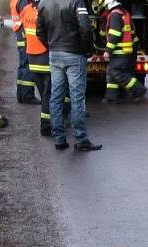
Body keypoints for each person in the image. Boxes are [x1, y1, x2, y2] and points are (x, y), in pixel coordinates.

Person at [36, 0, 102, 150]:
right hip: (74, 54)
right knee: (77, 98)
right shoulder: (76, 2)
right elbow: (85, 28)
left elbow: (39, 31)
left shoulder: (43, 3)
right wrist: (87, 50)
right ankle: (80, 139)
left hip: (55, 54)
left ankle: (59, 139)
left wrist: (51, 46)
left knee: (56, 96)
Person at [20, 0, 63, 135]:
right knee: (48, 95)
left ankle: (50, 123)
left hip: (32, 58)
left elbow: (24, 34)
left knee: (44, 93)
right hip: (45, 58)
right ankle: (46, 126)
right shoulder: (45, 10)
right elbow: (49, 33)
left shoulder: (25, 10)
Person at [101, 0, 147, 103]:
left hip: (120, 52)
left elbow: (115, 34)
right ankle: (111, 97)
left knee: (115, 72)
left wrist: (108, 51)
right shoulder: (124, 13)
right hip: (127, 51)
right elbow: (133, 33)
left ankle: (138, 89)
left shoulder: (115, 15)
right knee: (111, 71)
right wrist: (136, 48)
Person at [10, 0, 38, 103]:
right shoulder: (22, 2)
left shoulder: (14, 1)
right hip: (25, 37)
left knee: (22, 66)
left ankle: (21, 95)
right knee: (27, 66)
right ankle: (27, 96)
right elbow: (28, 17)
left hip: (20, 36)